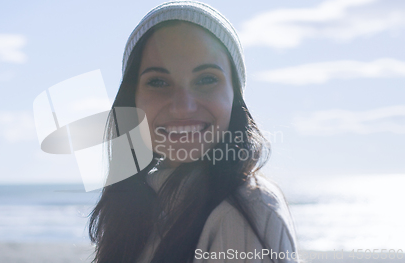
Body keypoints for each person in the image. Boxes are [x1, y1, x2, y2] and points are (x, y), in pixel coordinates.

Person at [88, 1, 299, 262]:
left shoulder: (248, 209)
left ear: (235, 98)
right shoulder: (134, 207)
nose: (182, 107)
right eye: (158, 82)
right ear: (132, 101)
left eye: (206, 79)